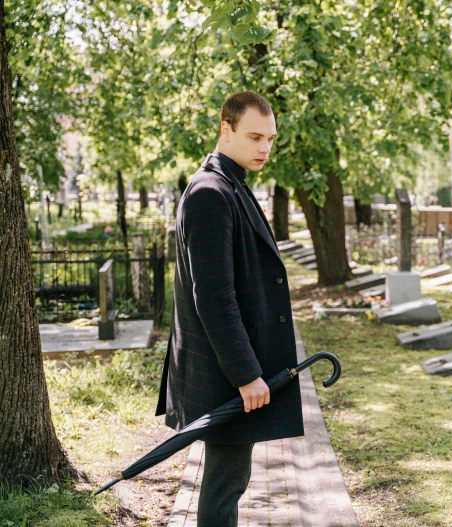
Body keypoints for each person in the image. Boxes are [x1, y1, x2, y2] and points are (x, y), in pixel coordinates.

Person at [156, 91, 303, 527]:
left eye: (271, 138)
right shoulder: (210, 192)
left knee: (229, 483)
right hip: (225, 375)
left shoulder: (231, 183)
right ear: (226, 129)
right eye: (255, 136)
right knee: (224, 487)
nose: (264, 148)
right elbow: (214, 298)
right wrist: (247, 375)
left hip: (231, 371)